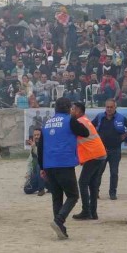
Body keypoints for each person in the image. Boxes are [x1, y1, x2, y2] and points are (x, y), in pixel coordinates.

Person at [37, 98, 90, 239]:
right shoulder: (70, 120)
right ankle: (58, 220)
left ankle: (60, 228)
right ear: (68, 108)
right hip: (64, 164)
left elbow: (40, 147)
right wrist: (74, 118)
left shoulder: (46, 123)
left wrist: (42, 167)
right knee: (73, 195)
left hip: (48, 164)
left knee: (57, 197)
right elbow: (85, 132)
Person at [92, 99, 127, 200]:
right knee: (98, 172)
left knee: (114, 173)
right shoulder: (100, 117)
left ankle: (112, 193)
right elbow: (91, 126)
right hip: (101, 151)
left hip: (115, 150)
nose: (109, 109)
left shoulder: (120, 118)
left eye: (111, 107)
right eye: (107, 107)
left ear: (115, 107)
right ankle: (95, 192)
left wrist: (125, 135)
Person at [71, 102, 107, 221]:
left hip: (94, 155)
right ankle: (93, 212)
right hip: (100, 154)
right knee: (92, 184)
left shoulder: (80, 122)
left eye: (73, 109)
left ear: (79, 111)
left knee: (82, 182)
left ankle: (86, 211)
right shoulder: (85, 120)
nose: (71, 111)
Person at [24, 129, 47, 196]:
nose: (36, 136)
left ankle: (41, 189)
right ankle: (42, 184)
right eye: (35, 135)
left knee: (39, 166)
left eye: (38, 135)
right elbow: (30, 161)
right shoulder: (33, 146)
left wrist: (34, 147)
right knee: (27, 189)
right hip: (36, 173)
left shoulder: (45, 144)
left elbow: (41, 156)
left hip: (46, 172)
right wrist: (28, 173)